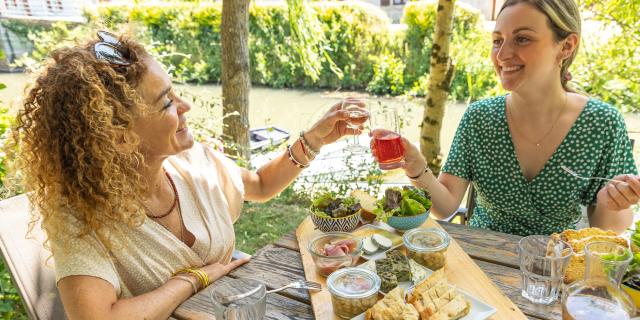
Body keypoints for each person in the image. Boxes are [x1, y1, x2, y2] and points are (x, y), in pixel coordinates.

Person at [13, 31, 365, 319]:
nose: (185, 106)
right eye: (167, 102)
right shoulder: (80, 212)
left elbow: (259, 185)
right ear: (119, 137)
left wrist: (313, 140)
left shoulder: (192, 160)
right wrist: (195, 279)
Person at [391, 0, 640, 236]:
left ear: (566, 46)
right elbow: (444, 207)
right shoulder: (480, 118)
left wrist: (612, 204)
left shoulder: (601, 123)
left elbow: (608, 230)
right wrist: (416, 168)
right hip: (480, 261)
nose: (502, 55)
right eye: (498, 41)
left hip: (554, 266)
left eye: (522, 39)